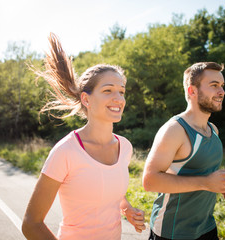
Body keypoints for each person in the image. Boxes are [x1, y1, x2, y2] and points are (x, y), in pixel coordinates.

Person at [22, 33, 146, 240]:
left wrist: (127, 210)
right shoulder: (66, 151)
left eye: (122, 91)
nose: (118, 98)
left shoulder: (125, 147)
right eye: (108, 91)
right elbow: (31, 224)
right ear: (86, 99)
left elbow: (110, 191)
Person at [142, 62, 225, 240]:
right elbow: (150, 181)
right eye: (214, 85)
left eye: (222, 86)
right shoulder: (174, 130)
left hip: (206, 225)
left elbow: (202, 173)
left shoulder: (213, 130)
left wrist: (221, 186)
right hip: (173, 231)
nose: (222, 92)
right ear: (192, 91)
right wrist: (206, 183)